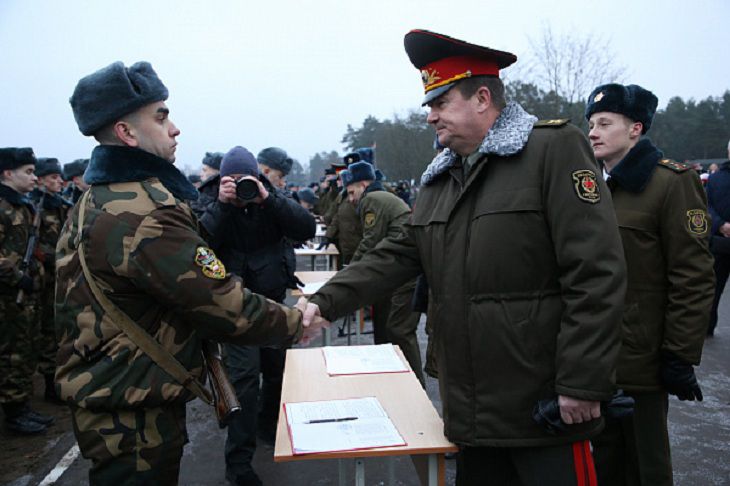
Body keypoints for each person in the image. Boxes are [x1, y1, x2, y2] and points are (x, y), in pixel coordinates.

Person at [300, 29, 626, 486]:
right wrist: (327, 300)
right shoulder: (441, 178)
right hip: (471, 408)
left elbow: (597, 272)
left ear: (482, 98)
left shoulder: (552, 150)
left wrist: (581, 383)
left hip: (546, 404)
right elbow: (398, 253)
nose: (430, 117)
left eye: (440, 103)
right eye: (428, 106)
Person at [57, 61, 322, 485]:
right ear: (127, 133)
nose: (175, 128)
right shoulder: (144, 212)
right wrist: (296, 322)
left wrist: (267, 200)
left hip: (117, 392)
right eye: (161, 117)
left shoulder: (98, 200)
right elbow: (217, 298)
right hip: (133, 408)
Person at [586, 83, 715, 485]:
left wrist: (679, 353)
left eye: (605, 123)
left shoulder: (671, 183)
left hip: (642, 357)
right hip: (593, 354)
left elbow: (692, 275)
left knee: (645, 466)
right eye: (591, 123)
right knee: (604, 462)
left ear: (635, 129)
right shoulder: (589, 186)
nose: (593, 132)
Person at [193, 145, 315, 486]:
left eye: (244, 180)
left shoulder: (269, 196)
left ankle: (266, 426)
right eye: (231, 180)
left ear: (256, 177)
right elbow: (196, 243)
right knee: (244, 381)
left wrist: (267, 198)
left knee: (277, 372)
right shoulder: (209, 199)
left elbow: (304, 227)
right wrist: (223, 204)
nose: (239, 186)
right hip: (235, 309)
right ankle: (239, 463)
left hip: (273, 302)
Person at [345, 161, 424, 386]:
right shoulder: (380, 196)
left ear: (363, 184)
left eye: (352, 192)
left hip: (404, 271)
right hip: (396, 270)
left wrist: (349, 273)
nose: (351, 199)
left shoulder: (372, 199)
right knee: (387, 327)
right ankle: (395, 380)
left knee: (399, 330)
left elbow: (370, 240)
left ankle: (414, 385)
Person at [0, 148, 54, 434]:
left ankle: (22, 407)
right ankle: (13, 412)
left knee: (26, 347)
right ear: (8, 173)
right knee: (12, 353)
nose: (34, 178)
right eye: (28, 172)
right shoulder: (2, 207)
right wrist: (17, 277)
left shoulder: (23, 206)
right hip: (8, 295)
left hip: (28, 293)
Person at [30, 157, 72, 404]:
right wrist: (53, 257)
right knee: (45, 332)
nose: (59, 181)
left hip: (58, 277)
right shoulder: (35, 207)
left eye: (59, 177)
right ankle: (48, 385)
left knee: (58, 329)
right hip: (42, 278)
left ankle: (55, 380)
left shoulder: (58, 204)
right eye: (53, 177)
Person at [706, 139, 730, 337]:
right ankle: (707, 327)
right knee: (713, 291)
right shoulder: (715, 179)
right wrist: (720, 224)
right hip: (720, 243)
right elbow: (706, 206)